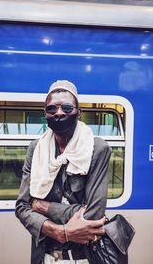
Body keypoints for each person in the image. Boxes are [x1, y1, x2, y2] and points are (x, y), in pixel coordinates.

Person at [15, 80, 111, 264]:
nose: (59, 113)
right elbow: (22, 207)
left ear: (78, 113)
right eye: (52, 109)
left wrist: (44, 207)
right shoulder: (36, 149)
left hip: (85, 257)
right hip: (45, 255)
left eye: (67, 108)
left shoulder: (97, 148)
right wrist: (57, 231)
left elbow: (94, 215)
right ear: (45, 114)